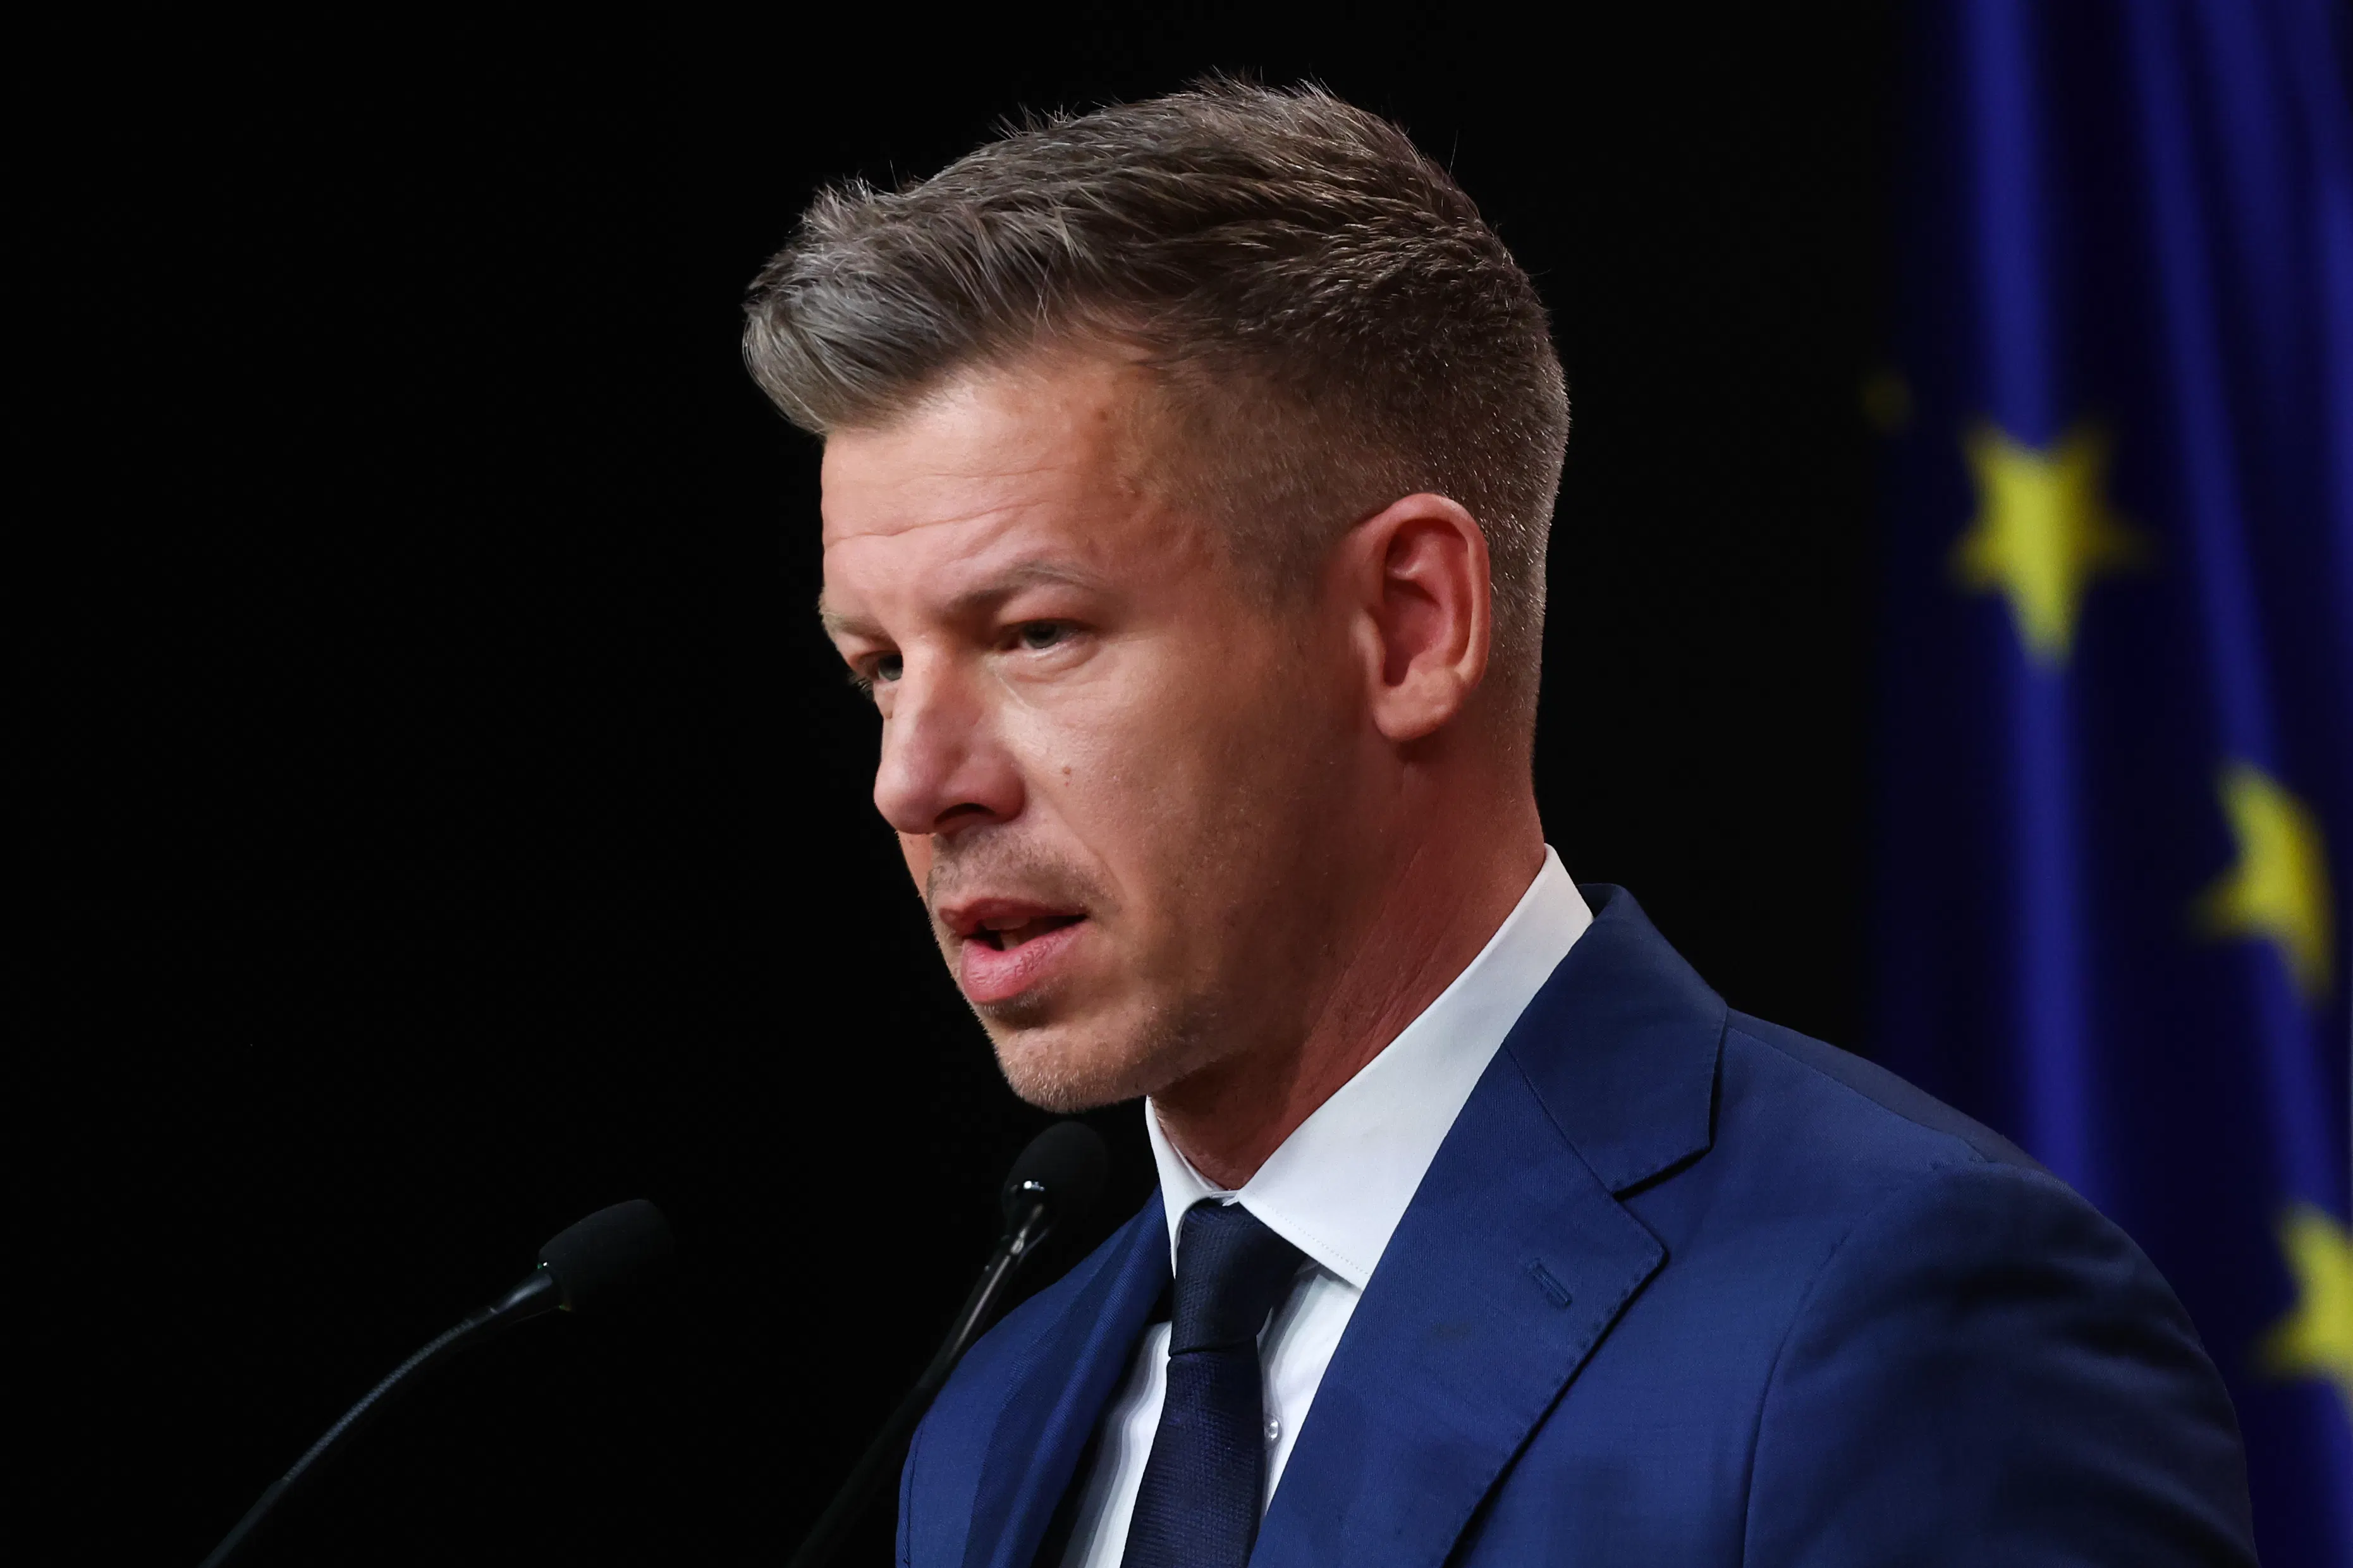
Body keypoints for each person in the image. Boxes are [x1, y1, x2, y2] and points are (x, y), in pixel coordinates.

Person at [743, 82, 2255, 1567]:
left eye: (1034, 634)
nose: (912, 779)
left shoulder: (1894, 1318)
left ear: (1409, 624)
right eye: (877, 665)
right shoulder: (994, 1421)